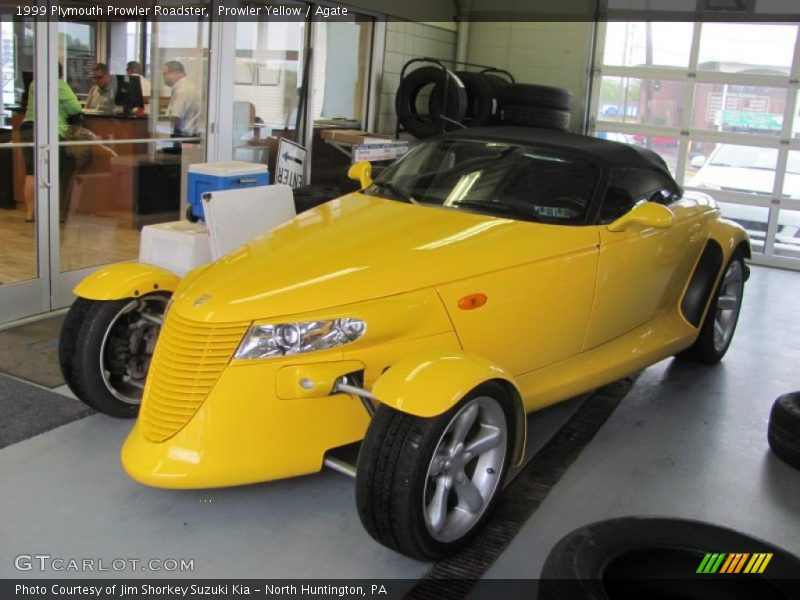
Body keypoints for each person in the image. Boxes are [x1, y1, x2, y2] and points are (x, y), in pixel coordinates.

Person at [20, 63, 82, 222]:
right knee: (56, 173)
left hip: (28, 128)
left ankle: (30, 213)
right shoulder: (59, 84)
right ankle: (55, 213)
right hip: (49, 130)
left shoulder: (34, 83)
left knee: (31, 173)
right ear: (60, 72)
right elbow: (75, 108)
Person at [162, 60, 200, 137]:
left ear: (174, 73)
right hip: (188, 133)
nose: (163, 77)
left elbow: (176, 118)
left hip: (183, 135)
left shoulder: (182, 91)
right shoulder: (186, 86)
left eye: (164, 74)